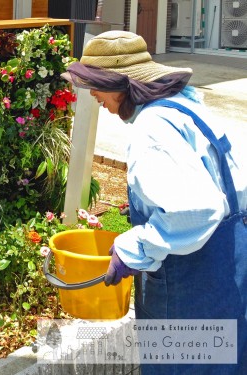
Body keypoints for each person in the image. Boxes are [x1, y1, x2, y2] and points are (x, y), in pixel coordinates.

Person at [62, 30, 247, 374]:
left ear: (121, 85)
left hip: (188, 286)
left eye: (96, 85)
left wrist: (133, 248)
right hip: (227, 269)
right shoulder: (186, 108)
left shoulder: (153, 129)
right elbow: (217, 187)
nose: (94, 95)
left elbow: (193, 212)